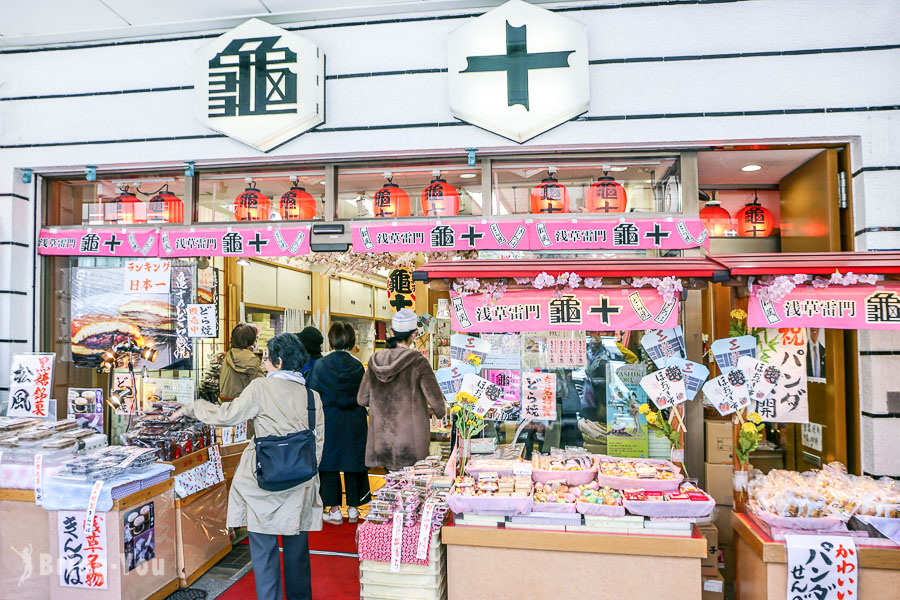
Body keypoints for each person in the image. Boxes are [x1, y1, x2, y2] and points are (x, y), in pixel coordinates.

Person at [176, 333, 324, 600]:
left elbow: (226, 416)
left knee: (264, 549)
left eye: (267, 358)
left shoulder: (260, 388)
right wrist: (299, 470)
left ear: (278, 361)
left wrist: (194, 407)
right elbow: (318, 445)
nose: (264, 363)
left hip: (263, 482)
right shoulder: (312, 396)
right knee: (297, 549)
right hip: (300, 483)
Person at [358, 308, 445, 470]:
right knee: (411, 490)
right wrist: (437, 412)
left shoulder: (374, 360)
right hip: (411, 443)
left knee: (391, 488)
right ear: (414, 334)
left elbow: (362, 399)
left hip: (382, 441)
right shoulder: (418, 362)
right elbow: (437, 404)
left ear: (392, 332)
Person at [307, 321, 369, 526]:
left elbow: (312, 394)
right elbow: (366, 395)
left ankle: (333, 510)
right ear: (351, 341)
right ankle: (353, 509)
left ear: (331, 340)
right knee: (354, 463)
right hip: (354, 420)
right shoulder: (358, 365)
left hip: (329, 419)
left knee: (328, 463)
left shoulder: (321, 365)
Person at [219, 323, 264, 402]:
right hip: (243, 406)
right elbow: (259, 385)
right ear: (251, 341)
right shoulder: (251, 358)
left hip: (224, 404)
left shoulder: (228, 355)